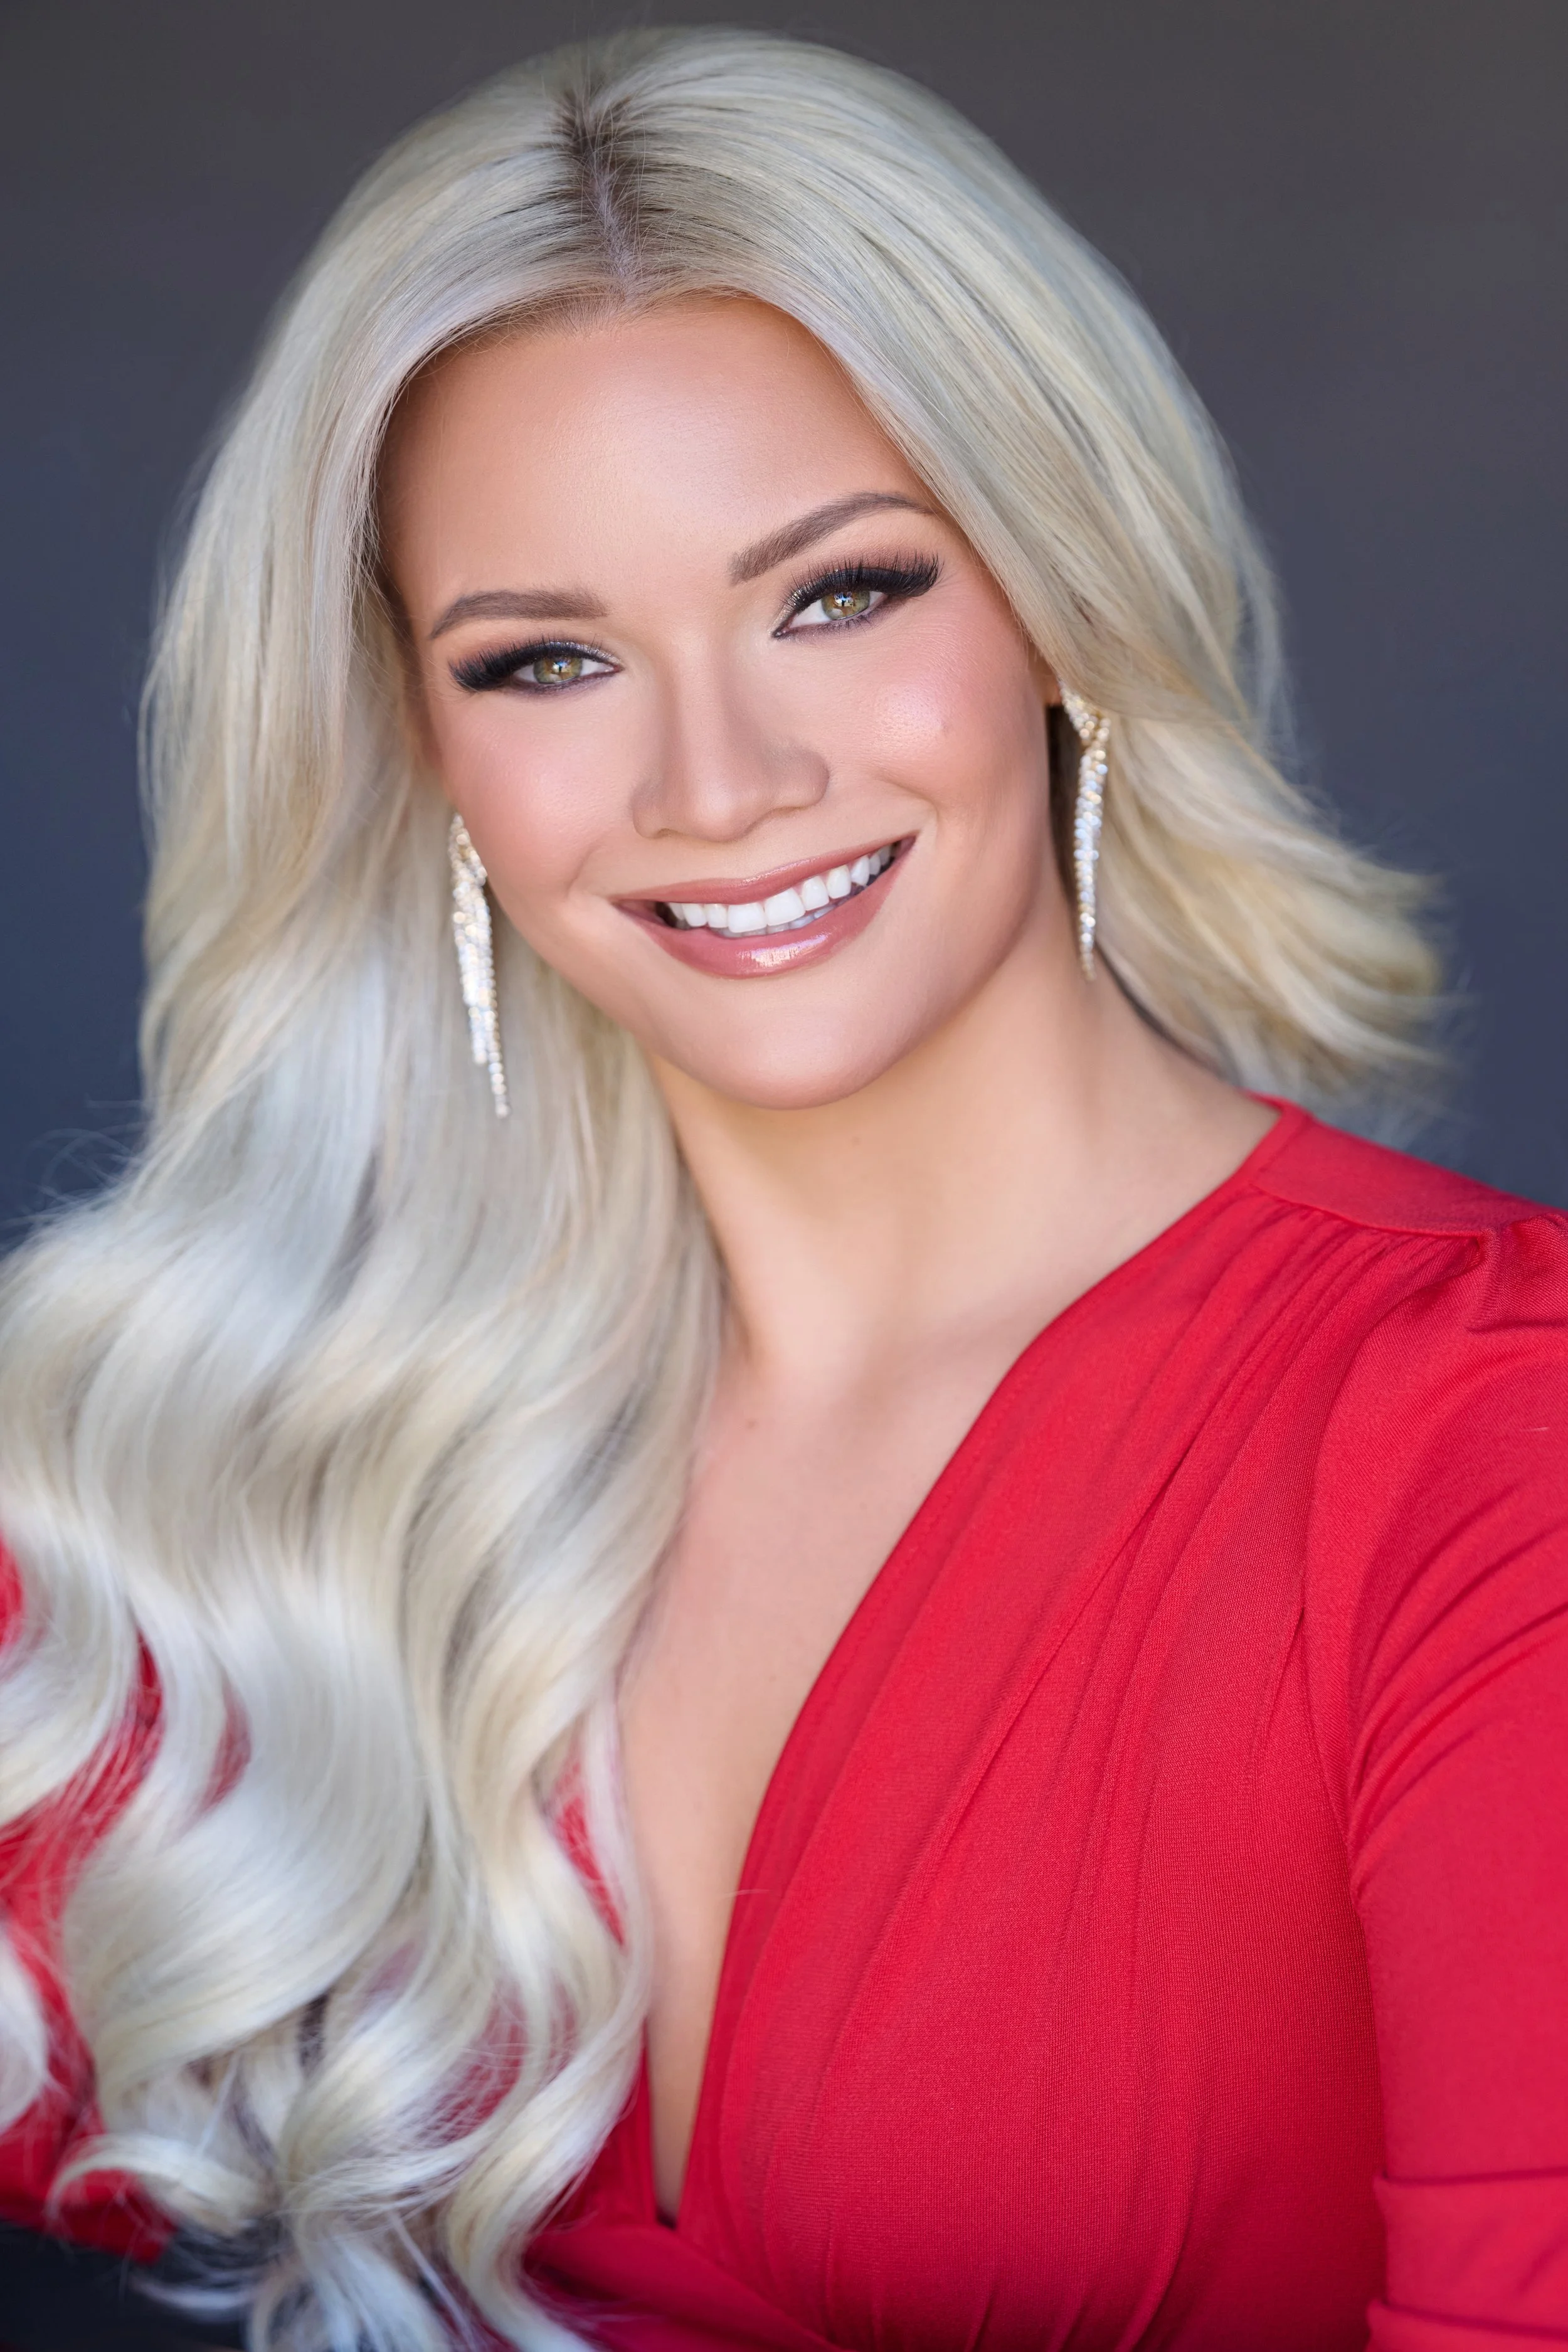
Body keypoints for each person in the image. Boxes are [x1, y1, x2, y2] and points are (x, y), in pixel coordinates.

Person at [1, 26, 1564, 2352]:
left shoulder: (1475, 1451)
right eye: (544, 658)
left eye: (835, 592)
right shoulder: (294, 1436)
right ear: (422, 762)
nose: (717, 778)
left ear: (1057, 602)